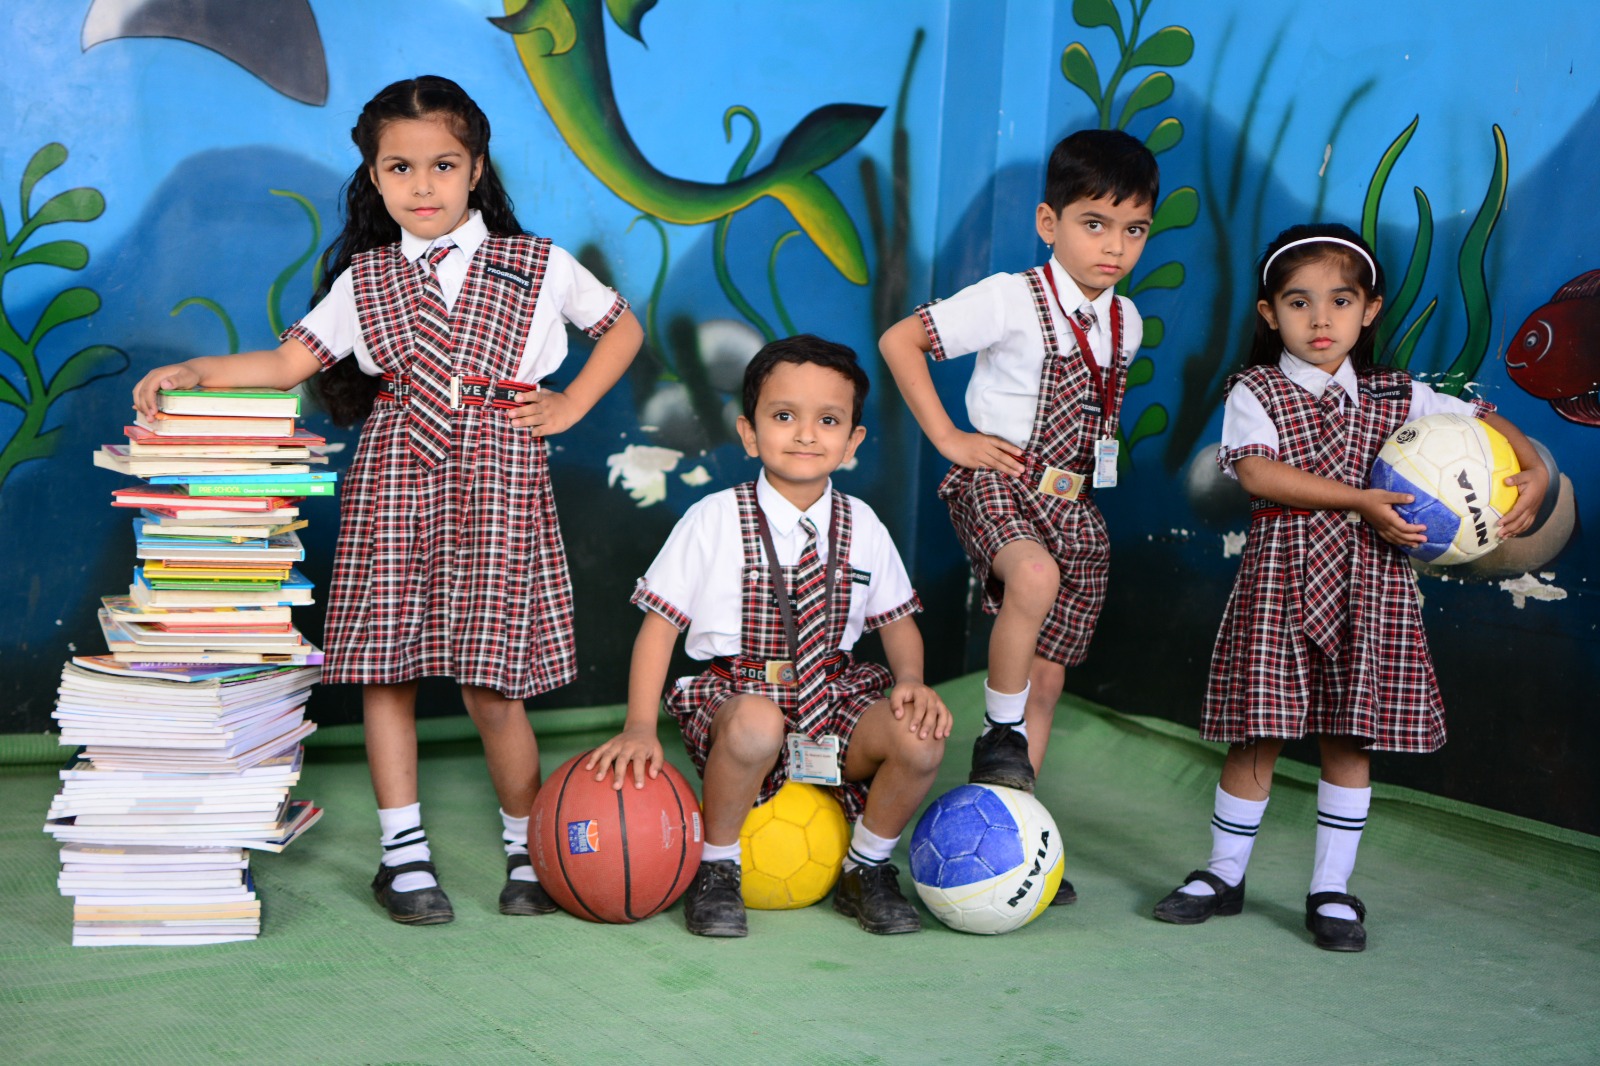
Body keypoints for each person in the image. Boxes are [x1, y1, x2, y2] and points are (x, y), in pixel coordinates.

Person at [131, 76, 643, 925]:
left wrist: (573, 404)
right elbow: (288, 365)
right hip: (396, 478)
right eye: (399, 168)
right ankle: (404, 858)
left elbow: (621, 327)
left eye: (442, 165)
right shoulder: (364, 280)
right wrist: (194, 370)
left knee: (493, 683)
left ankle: (527, 849)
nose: (423, 185)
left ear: (476, 167)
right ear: (373, 177)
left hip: (501, 479)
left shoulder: (538, 264)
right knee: (386, 672)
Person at [1151, 223, 1547, 951]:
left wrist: (1536, 470)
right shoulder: (1257, 389)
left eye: (1340, 301)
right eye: (1299, 304)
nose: (1321, 319)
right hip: (1282, 585)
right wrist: (1360, 500)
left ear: (1370, 310)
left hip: (1373, 593)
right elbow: (1258, 473)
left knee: (1350, 740)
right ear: (1271, 316)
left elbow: (1488, 421)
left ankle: (1331, 890)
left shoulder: (1402, 396)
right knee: (1256, 736)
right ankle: (1223, 874)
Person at [586, 335, 950, 937]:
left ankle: (867, 867)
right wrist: (639, 725)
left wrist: (911, 682)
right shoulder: (713, 518)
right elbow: (658, 629)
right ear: (750, 433)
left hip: (831, 696)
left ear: (853, 441)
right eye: (784, 417)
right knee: (756, 721)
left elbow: (897, 623)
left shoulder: (863, 525)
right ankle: (718, 867)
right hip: (739, 695)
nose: (806, 435)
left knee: (920, 735)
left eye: (828, 420)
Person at [878, 129, 1158, 904]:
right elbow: (901, 341)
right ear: (1049, 223)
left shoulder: (1125, 323)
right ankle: (996, 732)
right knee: (1029, 574)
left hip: (1075, 500)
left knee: (1046, 684)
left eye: (1133, 230)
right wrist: (949, 438)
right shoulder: (1009, 297)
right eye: (1093, 224)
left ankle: (1015, 833)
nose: (1113, 247)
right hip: (1000, 482)